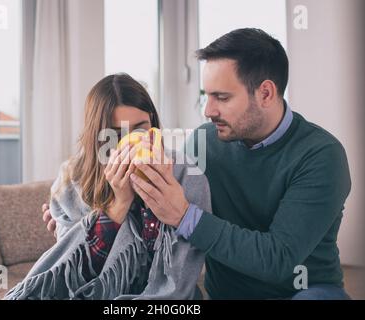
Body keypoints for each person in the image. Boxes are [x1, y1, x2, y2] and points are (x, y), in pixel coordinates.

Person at [125, 28, 352, 300]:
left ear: (266, 93)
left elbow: (277, 258)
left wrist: (186, 216)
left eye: (222, 97)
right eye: (206, 95)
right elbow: (159, 209)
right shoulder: (204, 142)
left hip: (304, 292)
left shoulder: (321, 155)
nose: (208, 111)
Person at [4, 73, 211, 300]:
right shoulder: (73, 181)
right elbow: (73, 280)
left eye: (140, 130)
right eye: (117, 134)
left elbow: (180, 280)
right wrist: (118, 205)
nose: (131, 143)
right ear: (98, 137)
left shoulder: (185, 175)